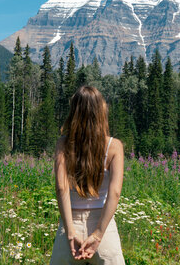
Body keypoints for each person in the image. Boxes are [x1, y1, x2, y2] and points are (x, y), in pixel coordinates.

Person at [50, 86, 125, 264]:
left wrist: (70, 233)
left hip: (70, 223)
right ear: (101, 111)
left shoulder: (63, 144)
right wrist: (98, 234)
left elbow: (62, 188)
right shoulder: (114, 146)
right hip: (103, 226)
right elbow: (114, 193)